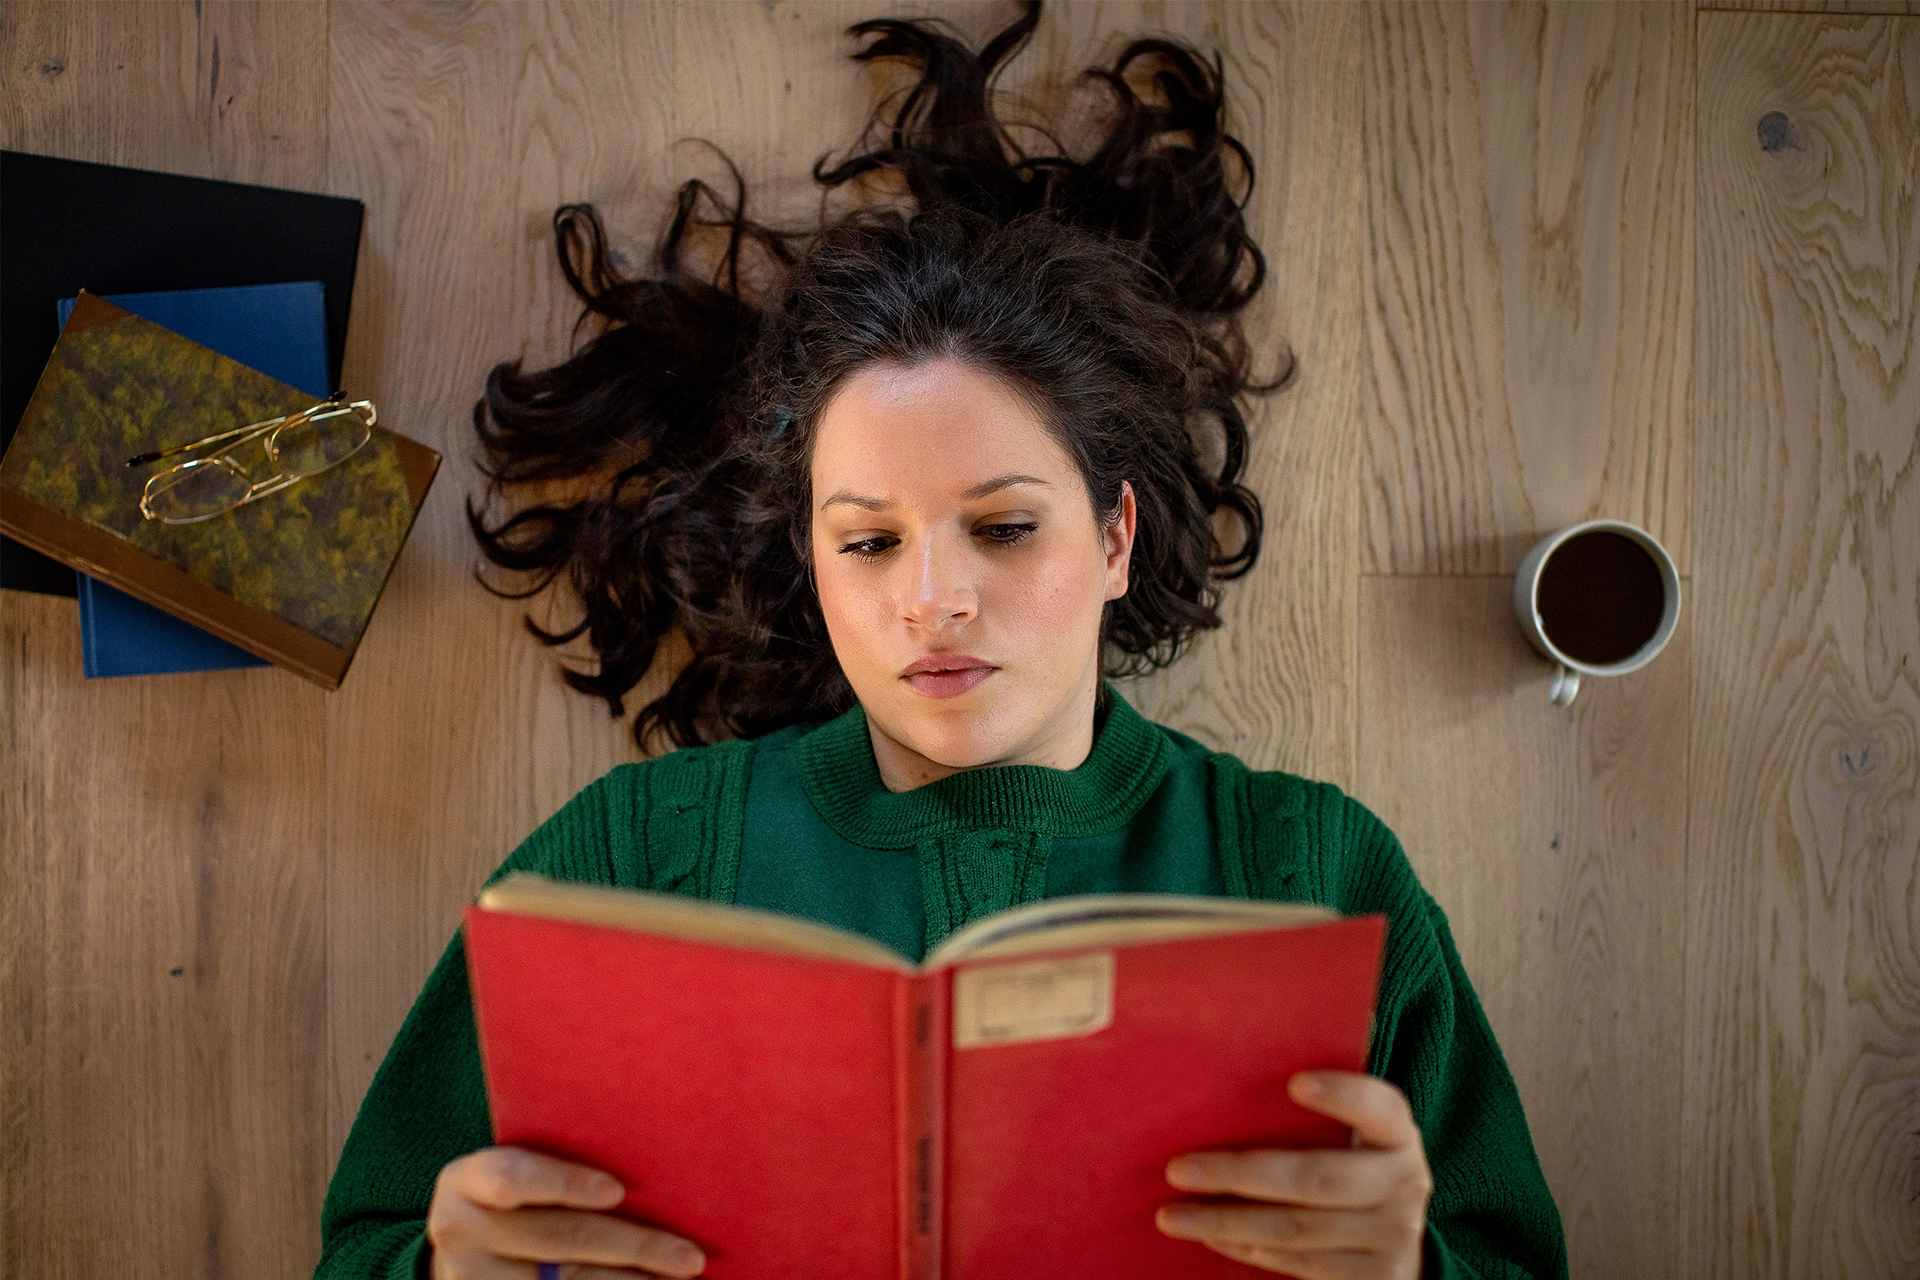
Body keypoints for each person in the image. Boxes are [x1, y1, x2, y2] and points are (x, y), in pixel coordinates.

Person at [316, 4, 1569, 1278]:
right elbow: (363, 1243)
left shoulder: (1319, 873)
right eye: (868, 542)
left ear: (1117, 536)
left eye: (1005, 529)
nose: (932, 599)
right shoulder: (619, 864)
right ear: (812, 558)